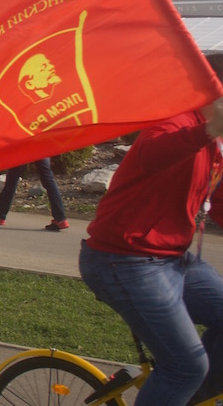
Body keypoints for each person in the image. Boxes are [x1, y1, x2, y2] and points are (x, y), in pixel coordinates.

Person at [78, 54, 223, 406]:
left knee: (188, 375)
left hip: (173, 259)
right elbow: (152, 155)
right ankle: (182, 385)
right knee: (185, 366)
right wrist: (208, 129)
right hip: (123, 261)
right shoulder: (173, 120)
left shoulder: (216, 146)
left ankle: (188, 397)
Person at [0, 158, 69, 231]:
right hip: (41, 141)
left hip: (28, 142)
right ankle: (60, 218)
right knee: (47, 177)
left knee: (13, 176)